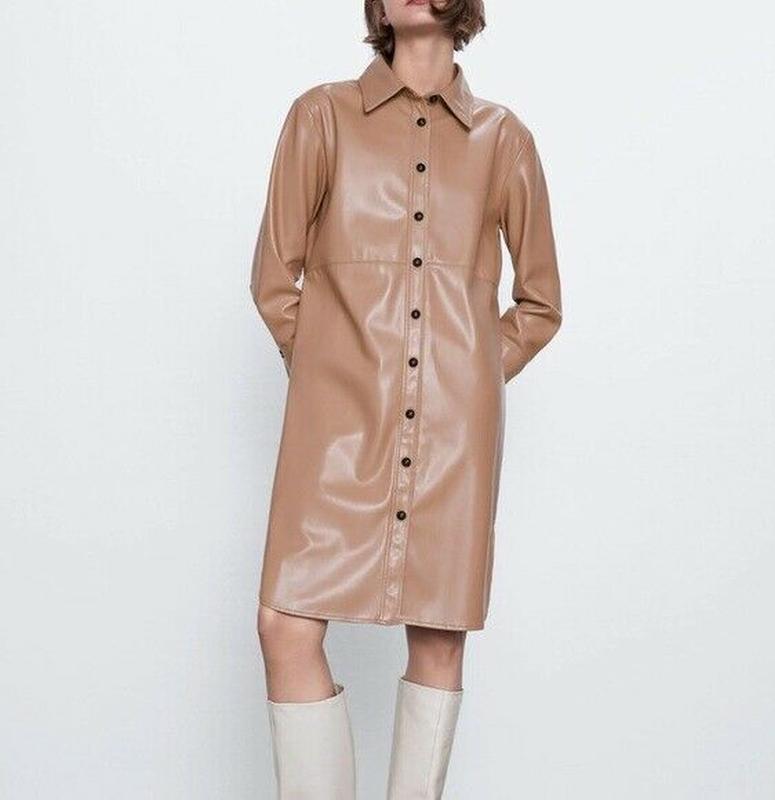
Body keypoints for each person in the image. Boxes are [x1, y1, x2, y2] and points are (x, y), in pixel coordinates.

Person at [249, 1, 562, 796]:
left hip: (455, 437)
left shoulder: (505, 140)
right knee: (284, 626)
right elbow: (274, 279)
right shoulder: (321, 117)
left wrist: (468, 378)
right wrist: (331, 373)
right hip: (337, 426)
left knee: (439, 639)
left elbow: (540, 304)